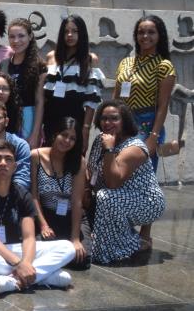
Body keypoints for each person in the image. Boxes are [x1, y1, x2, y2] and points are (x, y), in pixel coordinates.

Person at [0, 140, 75, 294]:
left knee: (68, 247)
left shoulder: (23, 195)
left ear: (15, 166)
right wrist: (19, 264)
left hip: (14, 248)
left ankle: (15, 281)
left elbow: (29, 237)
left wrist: (26, 263)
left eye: (8, 159)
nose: (3, 163)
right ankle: (42, 276)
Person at [114, 16, 175, 247]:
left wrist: (153, 136)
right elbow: (116, 97)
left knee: (146, 179)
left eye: (151, 32)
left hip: (148, 124)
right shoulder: (126, 63)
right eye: (141, 32)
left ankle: (145, 234)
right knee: (120, 177)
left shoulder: (164, 65)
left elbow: (163, 105)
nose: (145, 36)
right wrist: (111, 124)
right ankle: (123, 229)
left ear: (159, 36)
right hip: (123, 123)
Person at [87, 100, 166, 263]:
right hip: (117, 196)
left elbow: (113, 182)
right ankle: (115, 239)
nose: (107, 122)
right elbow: (91, 169)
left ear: (124, 121)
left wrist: (109, 149)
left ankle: (133, 245)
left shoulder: (135, 148)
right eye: (104, 118)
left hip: (145, 202)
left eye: (114, 118)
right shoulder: (100, 140)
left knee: (105, 197)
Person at [29, 118, 91, 268]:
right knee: (36, 251)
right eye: (64, 135)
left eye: (72, 138)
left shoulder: (79, 161)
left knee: (81, 260)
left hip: (71, 217)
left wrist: (75, 239)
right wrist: (43, 225)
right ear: (55, 134)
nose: (67, 141)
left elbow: (77, 201)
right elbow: (34, 196)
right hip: (46, 216)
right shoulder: (36, 156)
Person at [43, 15, 104, 154]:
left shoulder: (90, 59)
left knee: (72, 160)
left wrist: (86, 129)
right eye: (66, 31)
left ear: (82, 33)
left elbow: (91, 100)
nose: (70, 35)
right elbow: (45, 94)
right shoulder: (51, 56)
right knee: (49, 158)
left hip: (75, 120)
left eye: (75, 31)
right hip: (51, 118)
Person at [0, 18, 46, 148]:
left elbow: (39, 101)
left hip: (28, 119)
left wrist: (35, 134)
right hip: (5, 119)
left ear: (30, 36)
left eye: (21, 36)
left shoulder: (39, 65)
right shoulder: (3, 65)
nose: (16, 41)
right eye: (12, 36)